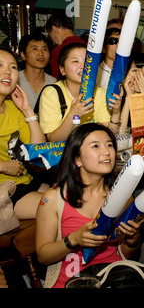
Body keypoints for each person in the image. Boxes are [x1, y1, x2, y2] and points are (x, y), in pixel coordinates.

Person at [35, 123, 143, 288]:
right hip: (72, 282)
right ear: (77, 159)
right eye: (95, 146)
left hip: (115, 278)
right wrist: (74, 239)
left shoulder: (122, 195)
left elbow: (124, 253)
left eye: (109, 145)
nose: (106, 152)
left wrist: (132, 239)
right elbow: (43, 256)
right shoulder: (53, 199)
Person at [38, 43, 122, 142]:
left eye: (87, 61)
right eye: (75, 61)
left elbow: (109, 136)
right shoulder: (52, 94)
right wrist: (73, 114)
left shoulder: (100, 92)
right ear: (62, 69)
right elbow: (54, 140)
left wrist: (116, 113)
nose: (83, 66)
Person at [0, 47, 48, 219]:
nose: (7, 71)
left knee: (71, 196)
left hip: (24, 180)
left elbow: (39, 152)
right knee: (57, 208)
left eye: (13, 67)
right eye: (0, 65)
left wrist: (27, 111)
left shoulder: (13, 107)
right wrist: (3, 166)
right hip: (4, 190)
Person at [18, 32, 57, 110]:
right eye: (35, 49)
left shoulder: (54, 83)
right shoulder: (15, 81)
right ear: (23, 55)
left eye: (45, 49)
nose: (41, 54)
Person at [119, 52, 144, 129]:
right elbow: (120, 134)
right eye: (135, 70)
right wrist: (128, 97)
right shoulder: (118, 99)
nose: (141, 75)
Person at [45, 13, 85, 78]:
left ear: (54, 29)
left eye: (50, 36)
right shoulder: (88, 45)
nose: (53, 42)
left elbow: (56, 80)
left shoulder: (58, 51)